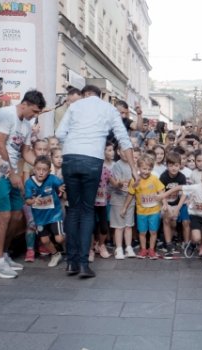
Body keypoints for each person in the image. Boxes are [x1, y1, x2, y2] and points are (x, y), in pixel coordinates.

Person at [56, 85, 138, 278]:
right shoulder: (108, 108)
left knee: (73, 209)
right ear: (101, 96)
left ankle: (71, 262)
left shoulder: (75, 106)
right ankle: (84, 264)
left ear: (84, 95)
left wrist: (73, 144)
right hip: (92, 159)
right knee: (87, 211)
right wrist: (134, 168)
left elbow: (59, 134)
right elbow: (124, 139)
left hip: (70, 157)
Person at [0, 90, 46, 279]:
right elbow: (0, 145)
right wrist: (11, 173)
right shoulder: (6, 114)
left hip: (12, 172)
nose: (35, 115)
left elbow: (25, 152)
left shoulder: (27, 124)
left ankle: (5, 254)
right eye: (33, 111)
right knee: (5, 216)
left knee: (17, 215)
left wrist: (42, 164)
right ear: (24, 104)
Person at [122, 154, 166, 259]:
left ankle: (151, 250)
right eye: (144, 168)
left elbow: (161, 191)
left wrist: (165, 203)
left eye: (149, 169)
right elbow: (130, 194)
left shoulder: (154, 179)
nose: (146, 171)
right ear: (138, 168)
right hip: (141, 212)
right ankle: (143, 250)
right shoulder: (135, 180)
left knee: (153, 232)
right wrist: (124, 207)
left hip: (154, 211)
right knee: (142, 232)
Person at [24, 156, 65, 268]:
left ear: (49, 171)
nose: (41, 172)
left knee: (59, 238)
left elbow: (62, 185)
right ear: (34, 169)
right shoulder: (29, 183)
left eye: (44, 170)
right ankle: (55, 254)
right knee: (44, 240)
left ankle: (70, 247)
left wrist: (61, 188)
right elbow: (27, 201)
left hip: (54, 215)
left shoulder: (52, 179)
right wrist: (33, 201)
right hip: (40, 218)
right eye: (38, 169)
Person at [159, 152, 189, 259]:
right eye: (170, 165)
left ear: (180, 165)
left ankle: (169, 239)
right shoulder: (163, 176)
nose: (173, 168)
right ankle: (168, 244)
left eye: (176, 165)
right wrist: (165, 205)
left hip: (177, 204)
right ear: (167, 165)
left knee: (173, 224)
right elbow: (161, 192)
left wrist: (177, 208)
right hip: (165, 203)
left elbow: (184, 194)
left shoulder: (182, 177)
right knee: (167, 219)